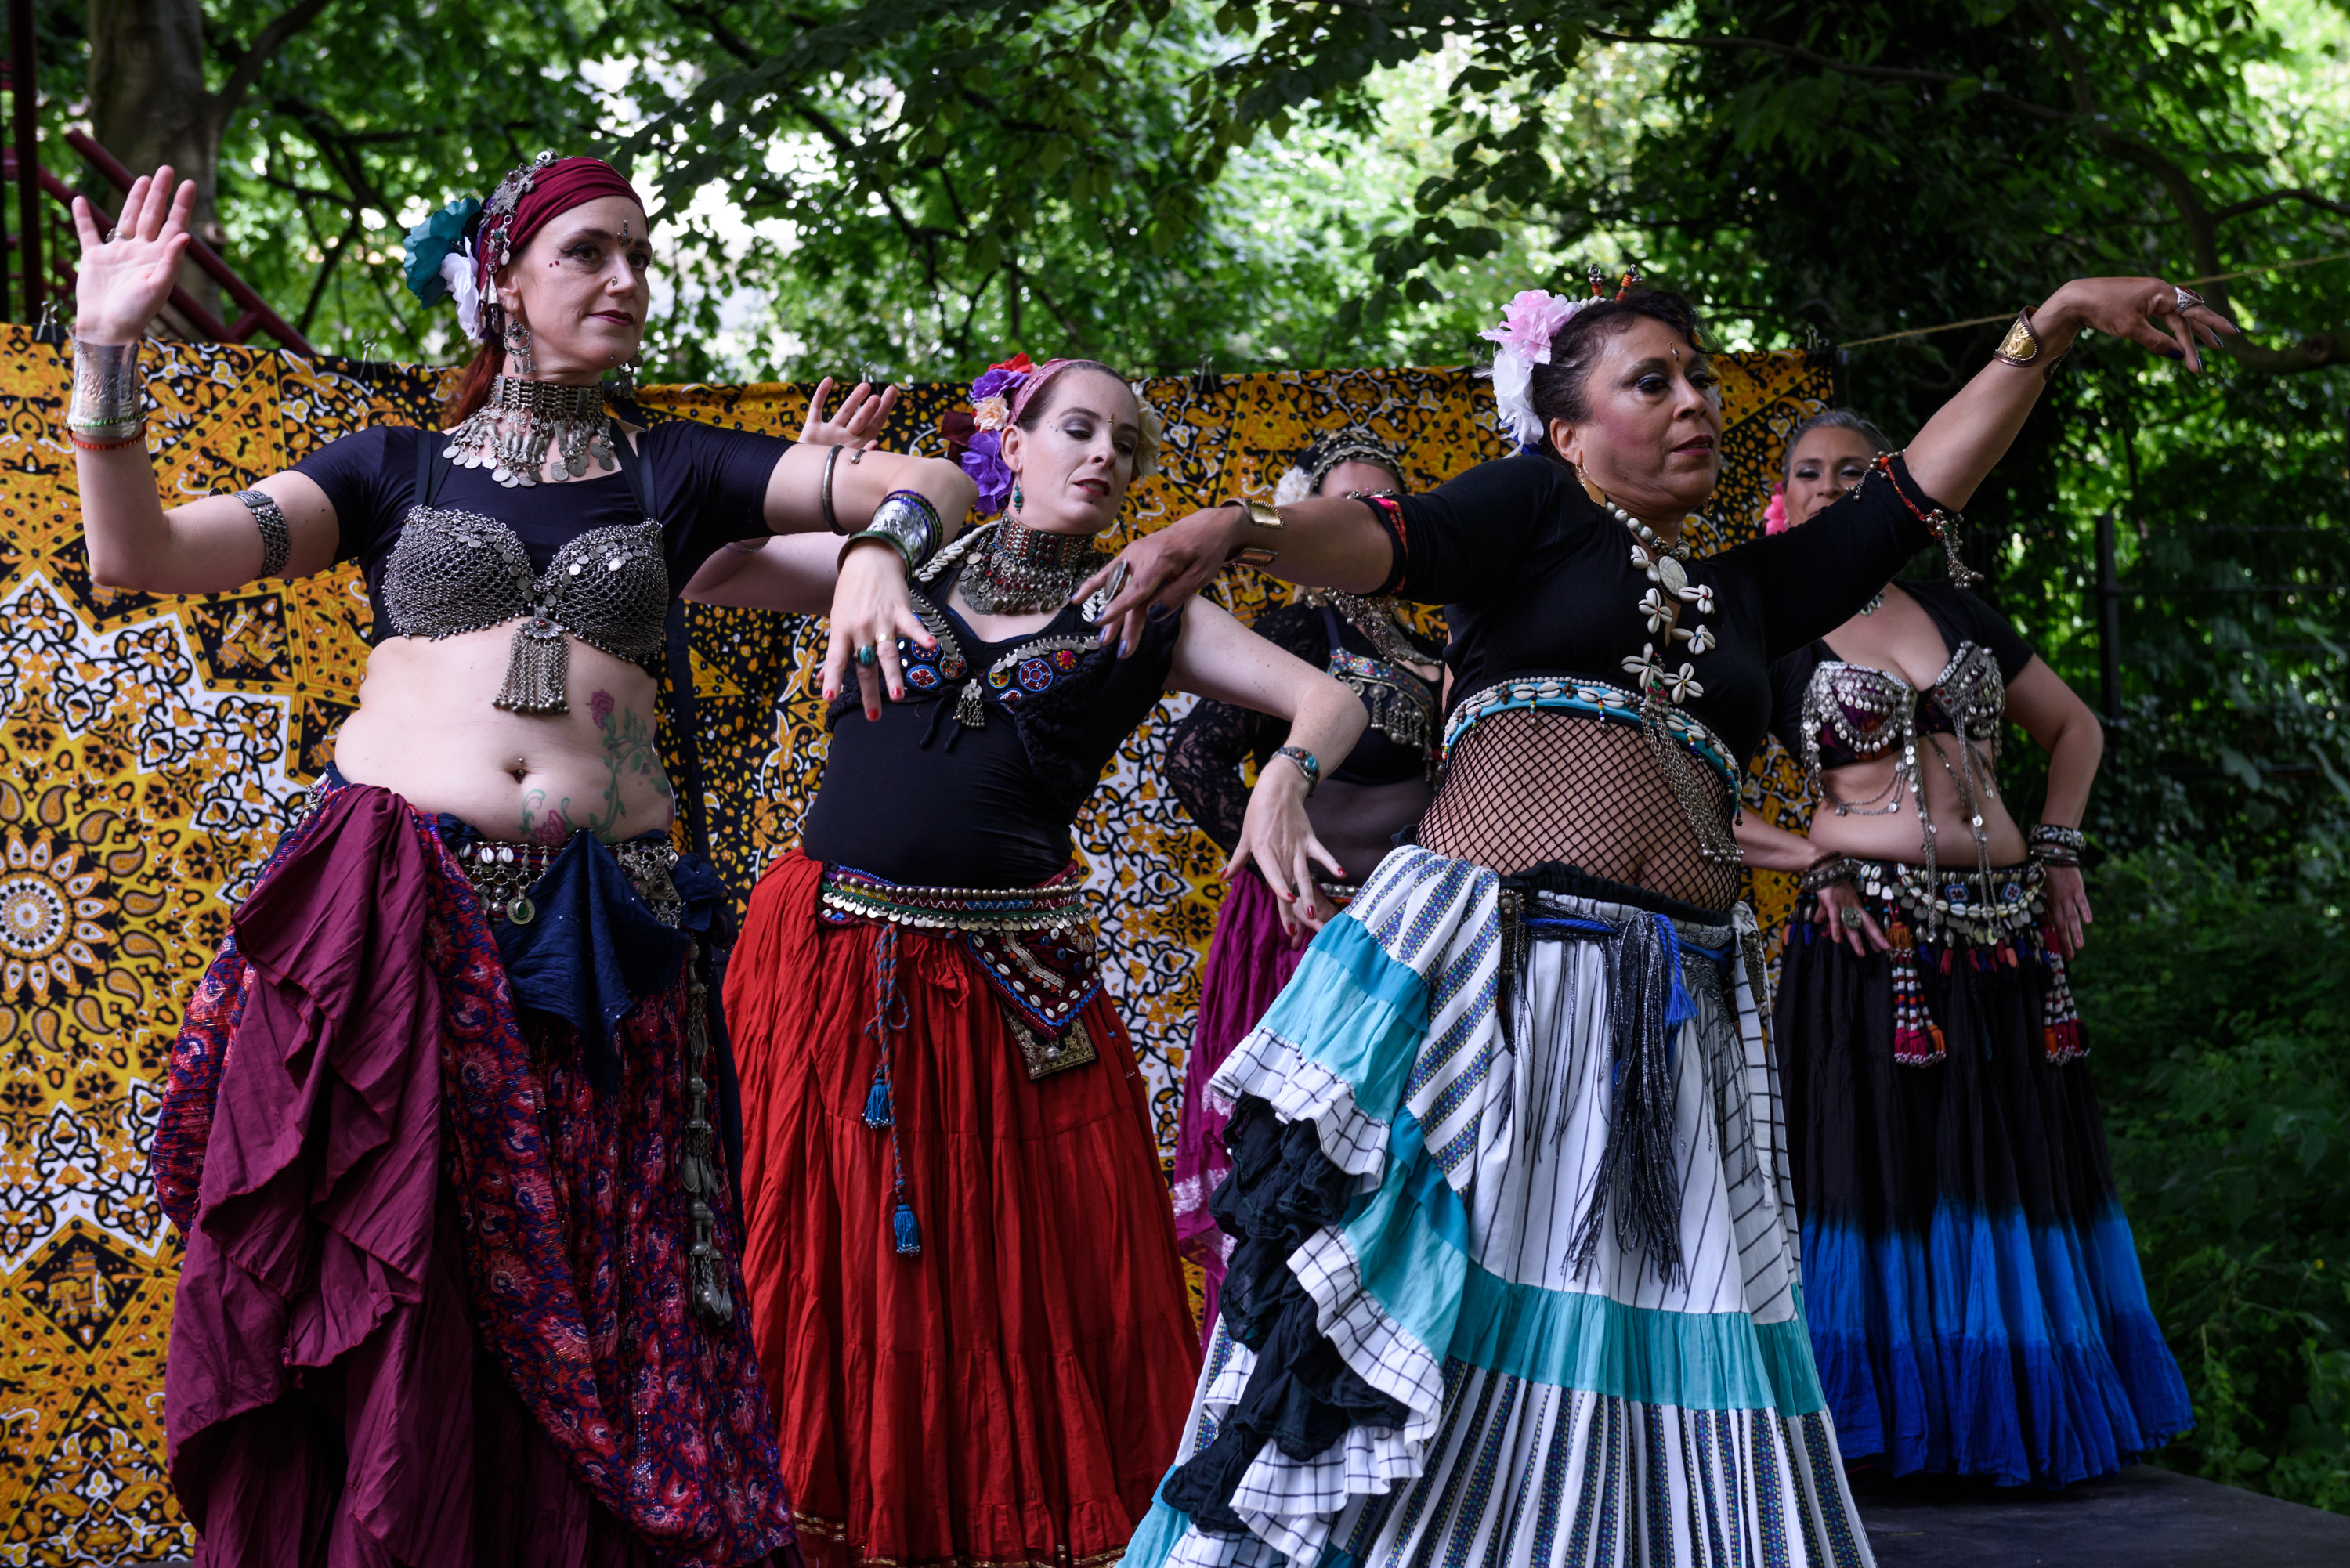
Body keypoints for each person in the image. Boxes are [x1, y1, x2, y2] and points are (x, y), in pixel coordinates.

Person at [1078, 272, 2232, 1567]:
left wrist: (2053, 322)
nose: (1697, 402)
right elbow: (1383, 536)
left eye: (1703, 381)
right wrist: (1237, 527)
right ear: (1569, 431)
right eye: (1655, 382)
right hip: (1495, 987)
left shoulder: (1753, 593)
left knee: (1645, 1319)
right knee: (1436, 1304)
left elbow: (1916, 492)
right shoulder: (1533, 512)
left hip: (1675, 1009)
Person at [96, 154, 971, 1563]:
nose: (626, 279)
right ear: (500, 278)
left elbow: (935, 480)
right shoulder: (391, 466)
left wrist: (879, 550)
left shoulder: (676, 467)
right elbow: (143, 551)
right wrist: (107, 354)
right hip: (398, 921)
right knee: (401, 1275)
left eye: (641, 254)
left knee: (598, 1293)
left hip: (601, 939)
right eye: (589, 252)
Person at [688, 353, 1367, 1568]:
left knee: (1005, 1270)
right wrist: (819, 489)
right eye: (1077, 429)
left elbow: (1332, 701)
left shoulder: (1147, 606)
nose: (1103, 456)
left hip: (1008, 985)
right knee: (830, 1246)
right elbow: (709, 571)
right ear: (1012, 440)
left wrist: (1284, 775)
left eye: (1124, 443)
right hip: (831, 957)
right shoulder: (901, 561)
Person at [1734, 407, 2191, 1487]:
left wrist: (2061, 844)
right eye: (1811, 472)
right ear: (1783, 498)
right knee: (1884, 1169)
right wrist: (1810, 858)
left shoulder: (1956, 610)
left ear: (1895, 487)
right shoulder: (1766, 623)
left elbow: (2074, 727)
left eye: (1857, 471)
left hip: (2005, 934)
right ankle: (1889, 1435)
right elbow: (1680, 777)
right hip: (1870, 939)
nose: (1833, 487)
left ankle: (2013, 1419)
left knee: (2007, 1165)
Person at [1165, 427, 1443, 1342]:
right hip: (1305, 934)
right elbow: (1195, 757)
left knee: (1389, 1174)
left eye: (1379, 507)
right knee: (1293, 1172)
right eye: (1341, 505)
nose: (1359, 521)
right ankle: (1263, 1370)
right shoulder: (1299, 632)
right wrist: (1281, 860)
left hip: (1407, 942)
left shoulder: (1437, 643)